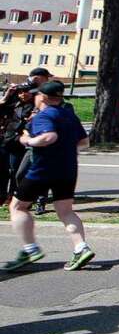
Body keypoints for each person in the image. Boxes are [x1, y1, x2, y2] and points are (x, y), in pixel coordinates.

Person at [2, 80, 93, 272]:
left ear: (42, 97)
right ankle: (81, 248)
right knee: (65, 211)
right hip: (68, 169)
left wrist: (27, 140)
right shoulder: (69, 115)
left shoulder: (43, 116)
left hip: (43, 169)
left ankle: (30, 249)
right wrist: (65, 149)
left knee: (17, 206)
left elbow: (49, 137)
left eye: (36, 95)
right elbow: (85, 142)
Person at [0, 77, 39, 204]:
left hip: (18, 142)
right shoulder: (14, 104)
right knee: (3, 170)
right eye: (20, 92)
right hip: (6, 140)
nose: (22, 94)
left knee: (15, 171)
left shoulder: (34, 107)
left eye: (25, 91)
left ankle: (13, 195)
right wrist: (7, 95)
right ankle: (2, 195)